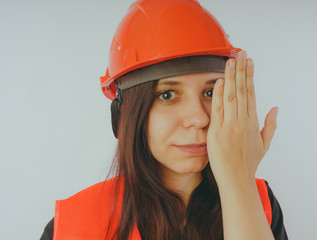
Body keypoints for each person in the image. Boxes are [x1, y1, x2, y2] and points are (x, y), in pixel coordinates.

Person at [41, 0, 288, 239]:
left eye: (210, 92)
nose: (199, 118)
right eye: (167, 94)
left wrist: (239, 183)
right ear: (125, 114)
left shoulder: (259, 202)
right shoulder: (72, 227)